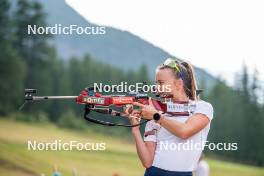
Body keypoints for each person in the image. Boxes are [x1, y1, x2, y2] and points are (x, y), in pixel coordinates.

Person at [128, 58, 214, 176]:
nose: (157, 88)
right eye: (156, 83)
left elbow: (184, 132)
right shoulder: (156, 111)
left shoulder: (202, 107)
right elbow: (147, 162)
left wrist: (156, 116)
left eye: (161, 83)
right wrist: (135, 129)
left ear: (179, 83)